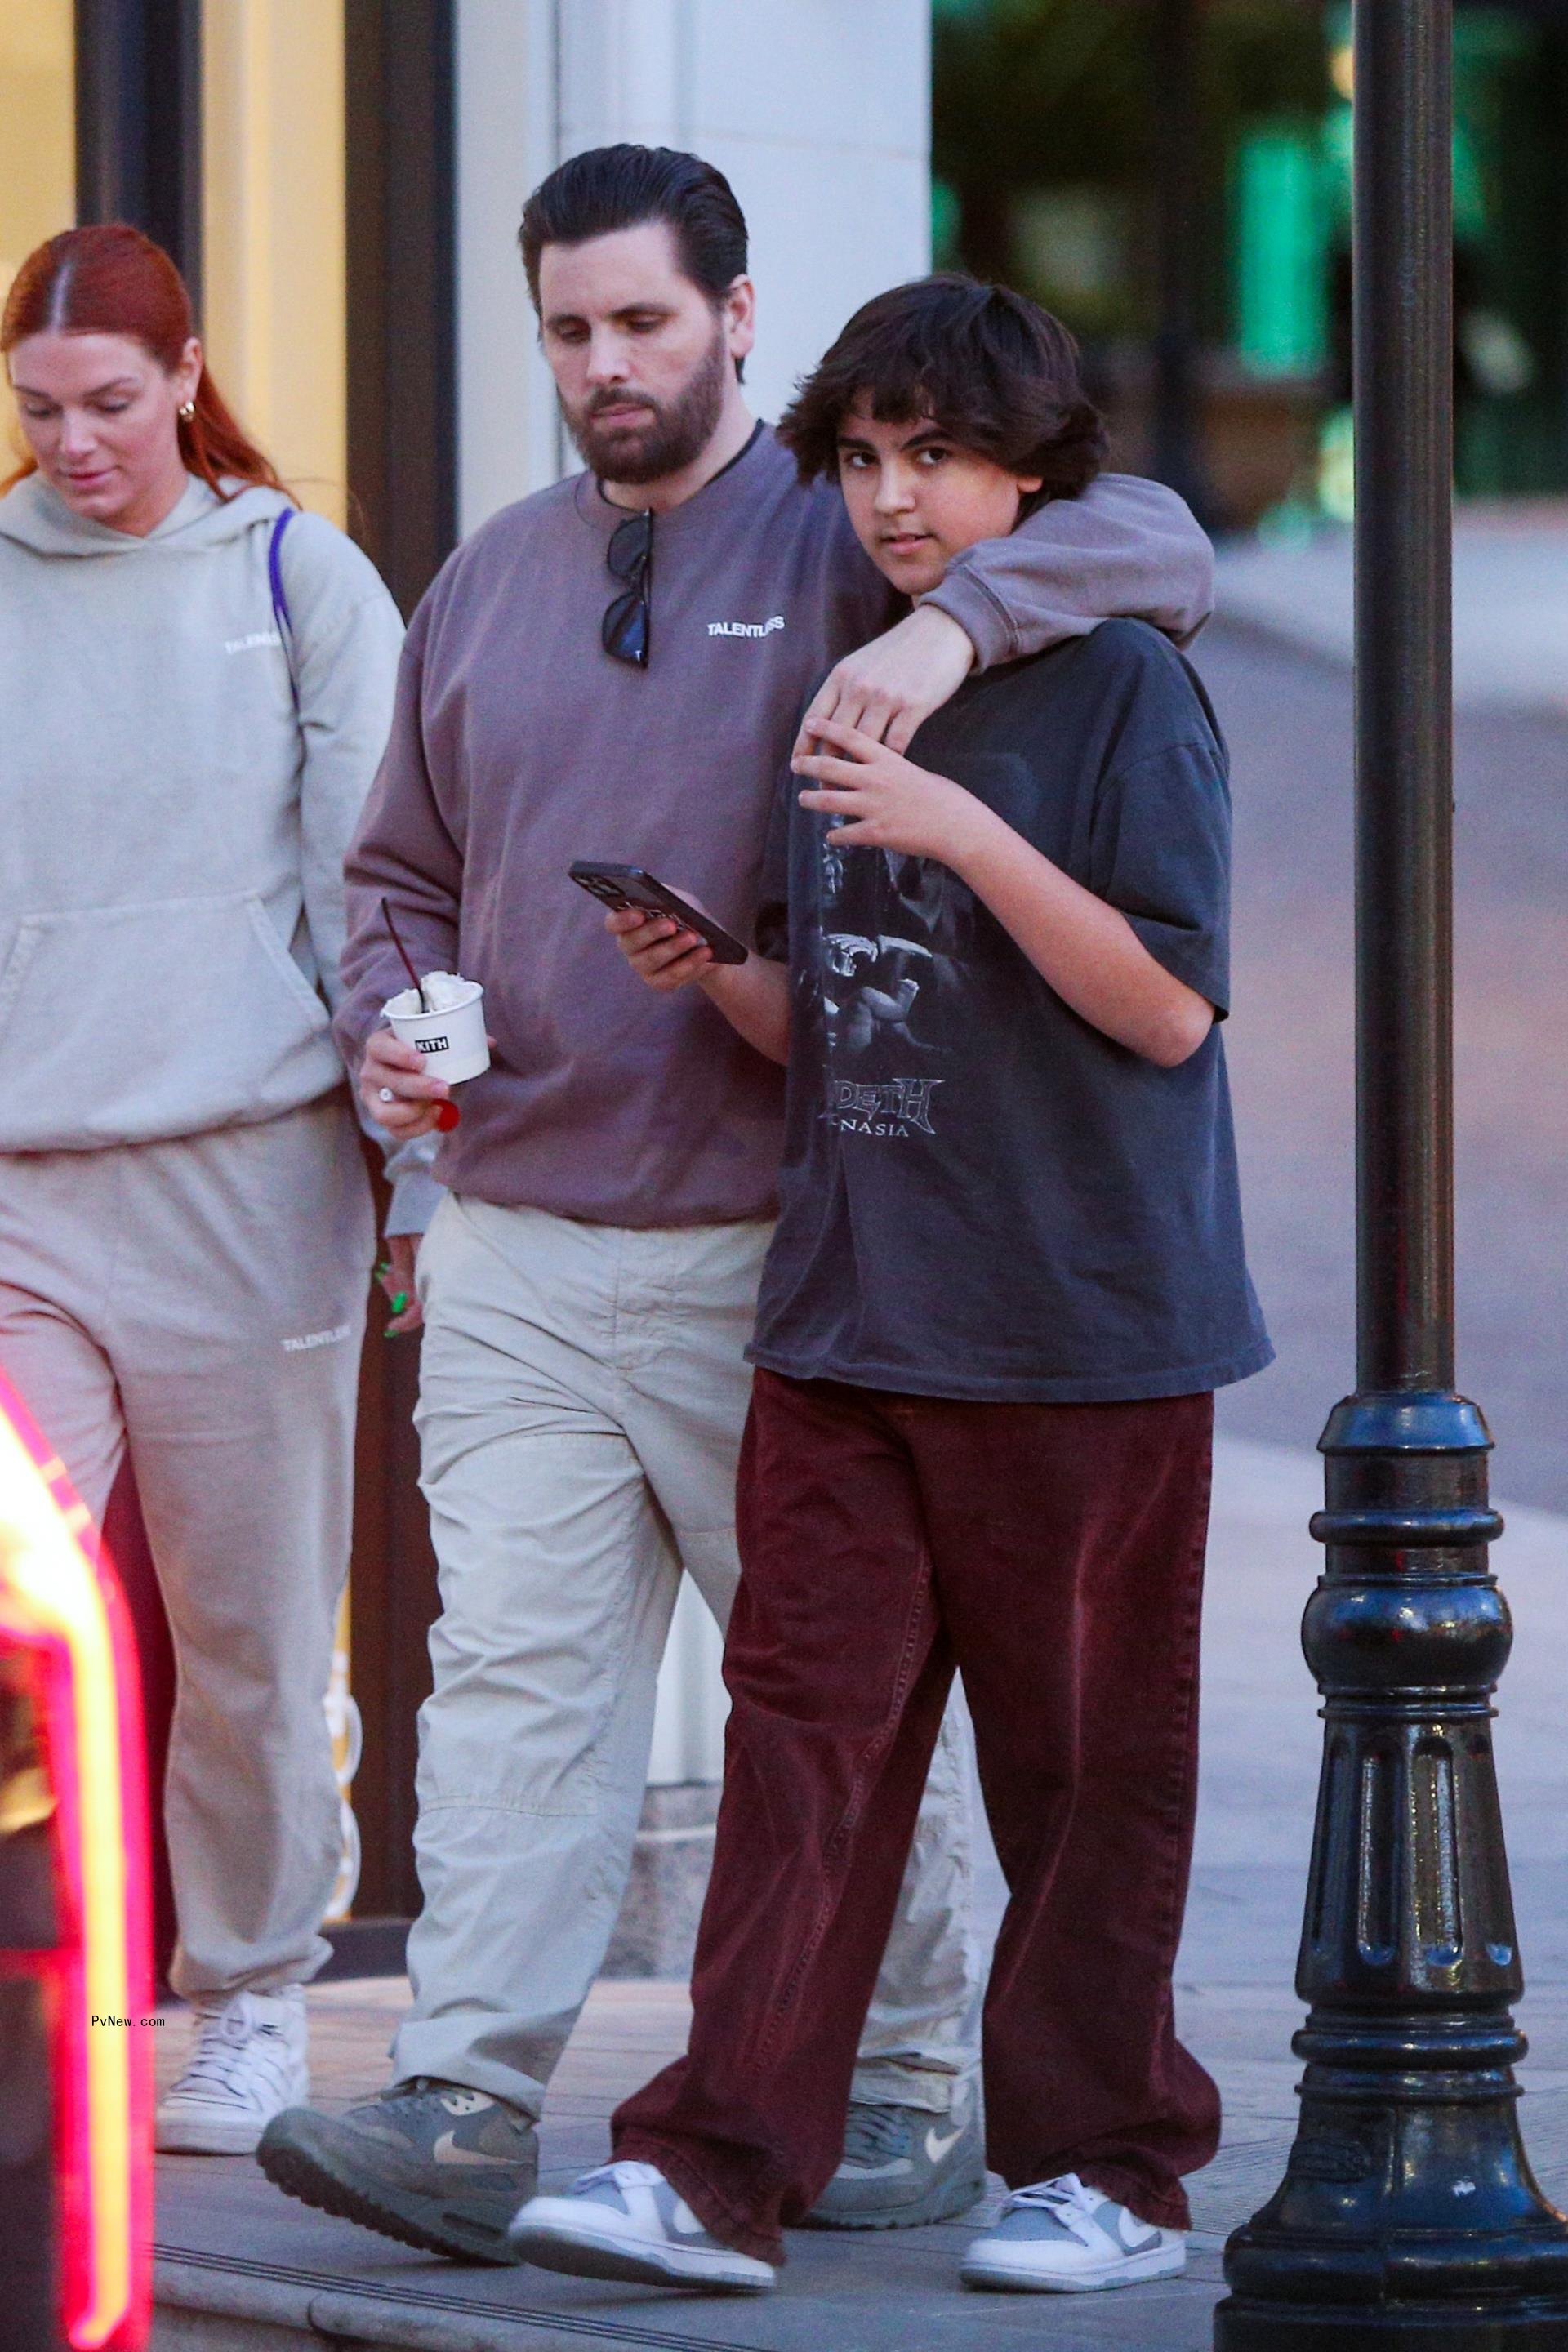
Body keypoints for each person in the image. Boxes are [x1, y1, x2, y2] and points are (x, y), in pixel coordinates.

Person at [258, 146, 1216, 2266]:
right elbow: (400, 874)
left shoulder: (866, 535)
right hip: (532, 1225)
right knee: (547, 1680)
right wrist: (396, 1022)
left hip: (789, 1245)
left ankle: (919, 2100)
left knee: (883, 1721)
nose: (606, 365)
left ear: (734, 313)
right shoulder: (493, 574)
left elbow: (1139, 537)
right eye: (570, 329)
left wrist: (955, 638)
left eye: (643, 322)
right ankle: (479, 2098)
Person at [511, 274, 1271, 2297]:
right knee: (801, 1752)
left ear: (1029, 470)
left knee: (1083, 1779)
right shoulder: (847, 668)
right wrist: (723, 977)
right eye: (861, 459)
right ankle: (711, 2169)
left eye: (932, 455)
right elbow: (848, 1019)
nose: (892, 500)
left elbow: (1171, 1009)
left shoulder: (1121, 687)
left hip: (1084, 1332)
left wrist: (959, 828)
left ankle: (1107, 2171)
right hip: (851, 1319)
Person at [0, 225, 408, 2152]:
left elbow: (373, 884)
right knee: (16, 1613)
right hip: (20, 1184)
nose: (75, 445)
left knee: (246, 1626)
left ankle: (247, 1997)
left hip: (250, 1176)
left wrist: (413, 1164)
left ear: (182, 376)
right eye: (36, 410)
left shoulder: (291, 572)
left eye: (106, 402)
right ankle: (46, 1984)